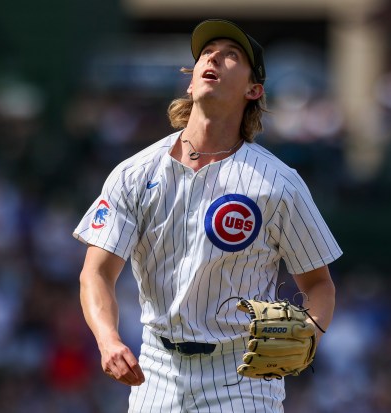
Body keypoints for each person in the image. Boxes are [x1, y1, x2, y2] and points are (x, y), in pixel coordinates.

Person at [74, 19, 342, 412]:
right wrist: (108, 339)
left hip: (242, 375)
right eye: (206, 54)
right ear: (191, 81)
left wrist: (309, 332)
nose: (213, 57)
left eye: (231, 55)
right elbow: (96, 273)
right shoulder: (135, 173)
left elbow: (320, 284)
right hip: (157, 370)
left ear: (254, 90)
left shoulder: (279, 183)